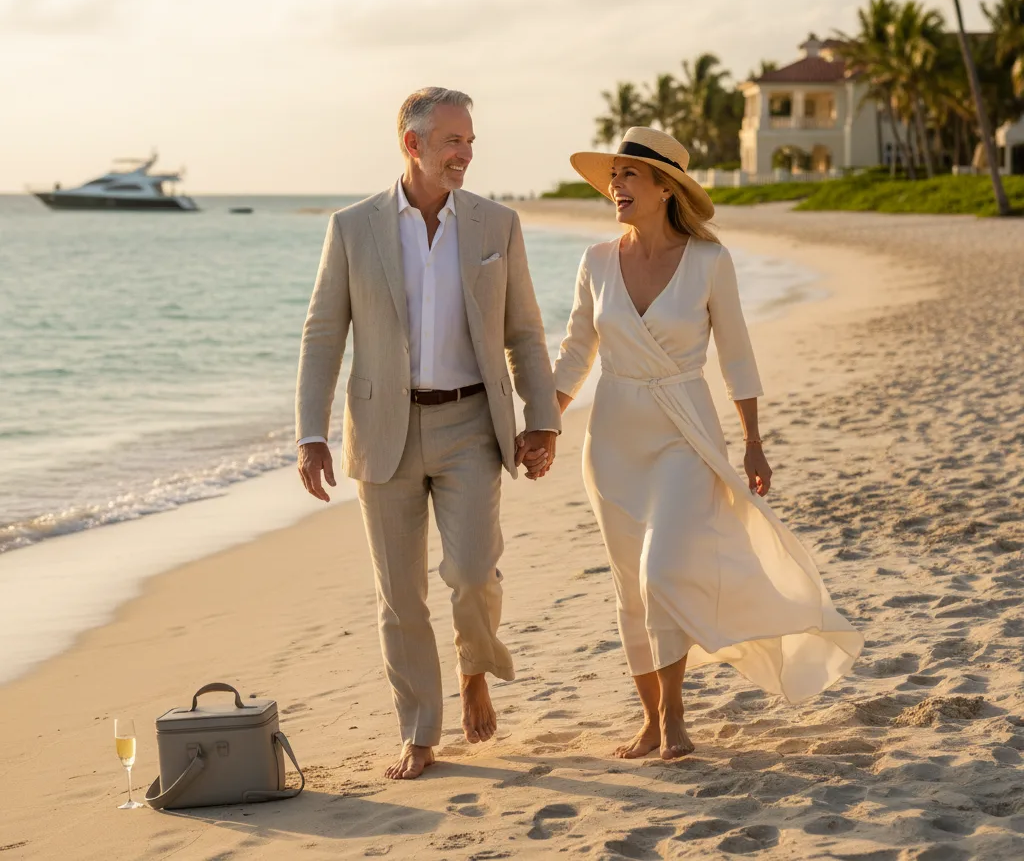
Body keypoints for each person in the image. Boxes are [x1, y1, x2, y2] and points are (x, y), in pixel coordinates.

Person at [544, 126, 862, 760]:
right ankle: (650, 719)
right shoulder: (597, 261)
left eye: (629, 175)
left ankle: (678, 716)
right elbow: (577, 350)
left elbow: (736, 355)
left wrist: (753, 442)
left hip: (685, 429)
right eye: (614, 175)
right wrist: (543, 423)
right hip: (611, 437)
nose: (616, 185)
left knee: (662, 572)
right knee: (629, 585)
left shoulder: (711, 263)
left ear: (666, 187)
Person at [294, 88, 561, 779]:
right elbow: (325, 332)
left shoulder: (496, 225)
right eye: (452, 141)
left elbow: (525, 330)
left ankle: (474, 665)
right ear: (412, 145)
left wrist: (542, 420)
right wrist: (310, 433)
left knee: (473, 573)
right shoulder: (354, 228)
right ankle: (419, 730)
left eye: (470, 140)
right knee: (400, 594)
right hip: (383, 429)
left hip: (473, 423)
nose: (465, 153)